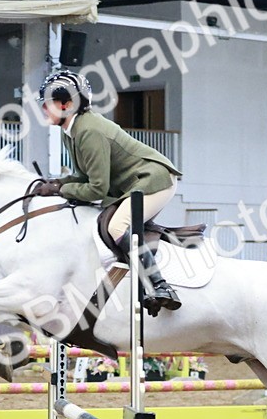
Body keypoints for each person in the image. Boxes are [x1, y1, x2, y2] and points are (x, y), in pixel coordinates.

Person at [31, 70, 184, 314]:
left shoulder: (88, 130)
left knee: (117, 228)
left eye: (47, 104)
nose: (43, 110)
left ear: (67, 104)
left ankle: (159, 286)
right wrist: (56, 184)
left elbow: (96, 189)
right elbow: (83, 177)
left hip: (153, 180)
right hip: (130, 184)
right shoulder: (71, 130)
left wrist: (61, 190)